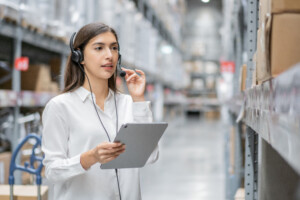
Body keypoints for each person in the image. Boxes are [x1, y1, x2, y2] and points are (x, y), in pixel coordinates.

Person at [41, 22, 158, 200]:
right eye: (99, 48)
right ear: (79, 56)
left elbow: (151, 156)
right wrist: (89, 158)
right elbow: (51, 171)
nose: (109, 55)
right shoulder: (60, 107)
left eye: (114, 48)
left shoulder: (128, 103)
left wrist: (139, 99)